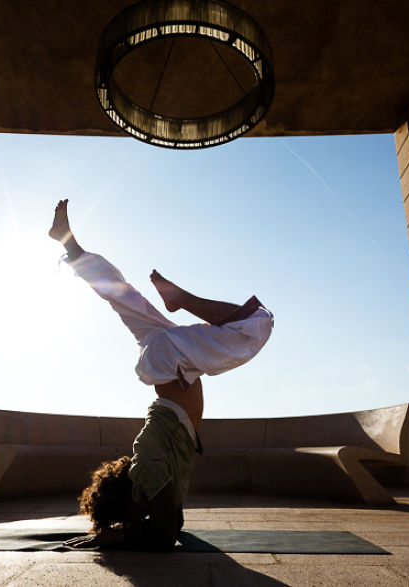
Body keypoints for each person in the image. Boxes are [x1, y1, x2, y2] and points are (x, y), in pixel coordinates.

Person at [50, 199, 273, 551]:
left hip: (168, 360)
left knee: (255, 326)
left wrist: (118, 534)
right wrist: (127, 528)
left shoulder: (150, 462)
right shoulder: (156, 469)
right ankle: (71, 247)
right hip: (166, 359)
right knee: (124, 298)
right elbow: (174, 522)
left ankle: (178, 298)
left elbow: (166, 531)